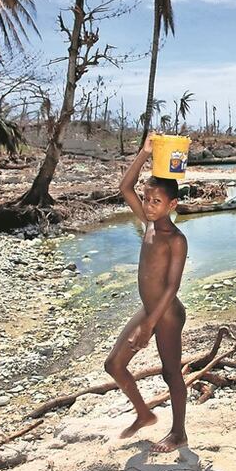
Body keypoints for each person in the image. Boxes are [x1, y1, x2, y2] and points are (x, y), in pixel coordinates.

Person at [104, 135, 189, 453]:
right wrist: (145, 153)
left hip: (166, 314)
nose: (149, 206)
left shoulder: (175, 239)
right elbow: (124, 187)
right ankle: (144, 413)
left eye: (156, 202)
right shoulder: (149, 224)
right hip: (150, 309)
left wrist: (149, 326)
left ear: (172, 205)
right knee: (113, 365)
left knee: (171, 372)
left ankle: (179, 433)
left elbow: (172, 287)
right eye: (147, 199)